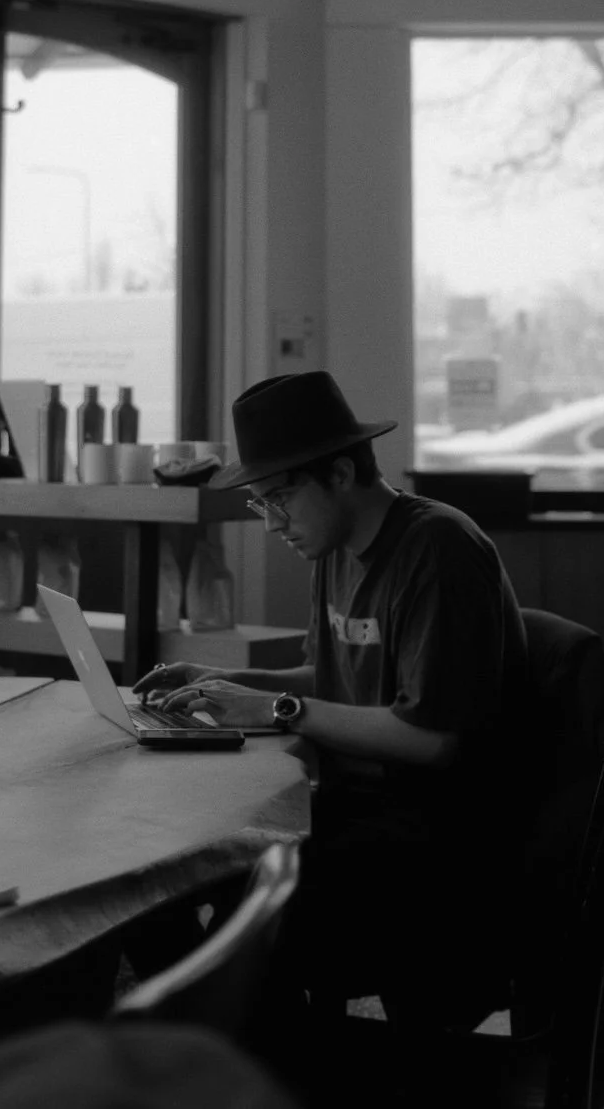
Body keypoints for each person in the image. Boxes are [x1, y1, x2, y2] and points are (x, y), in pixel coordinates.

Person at [133, 370, 528, 1045]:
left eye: (280, 499)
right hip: (369, 811)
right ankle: (244, 1057)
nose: (274, 523)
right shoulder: (338, 546)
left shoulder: (437, 549)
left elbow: (432, 740)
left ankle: (265, 1066)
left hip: (443, 847)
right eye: (262, 505)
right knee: (170, 880)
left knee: (241, 899)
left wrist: (277, 709)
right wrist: (225, 682)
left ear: (341, 474)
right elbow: (333, 676)